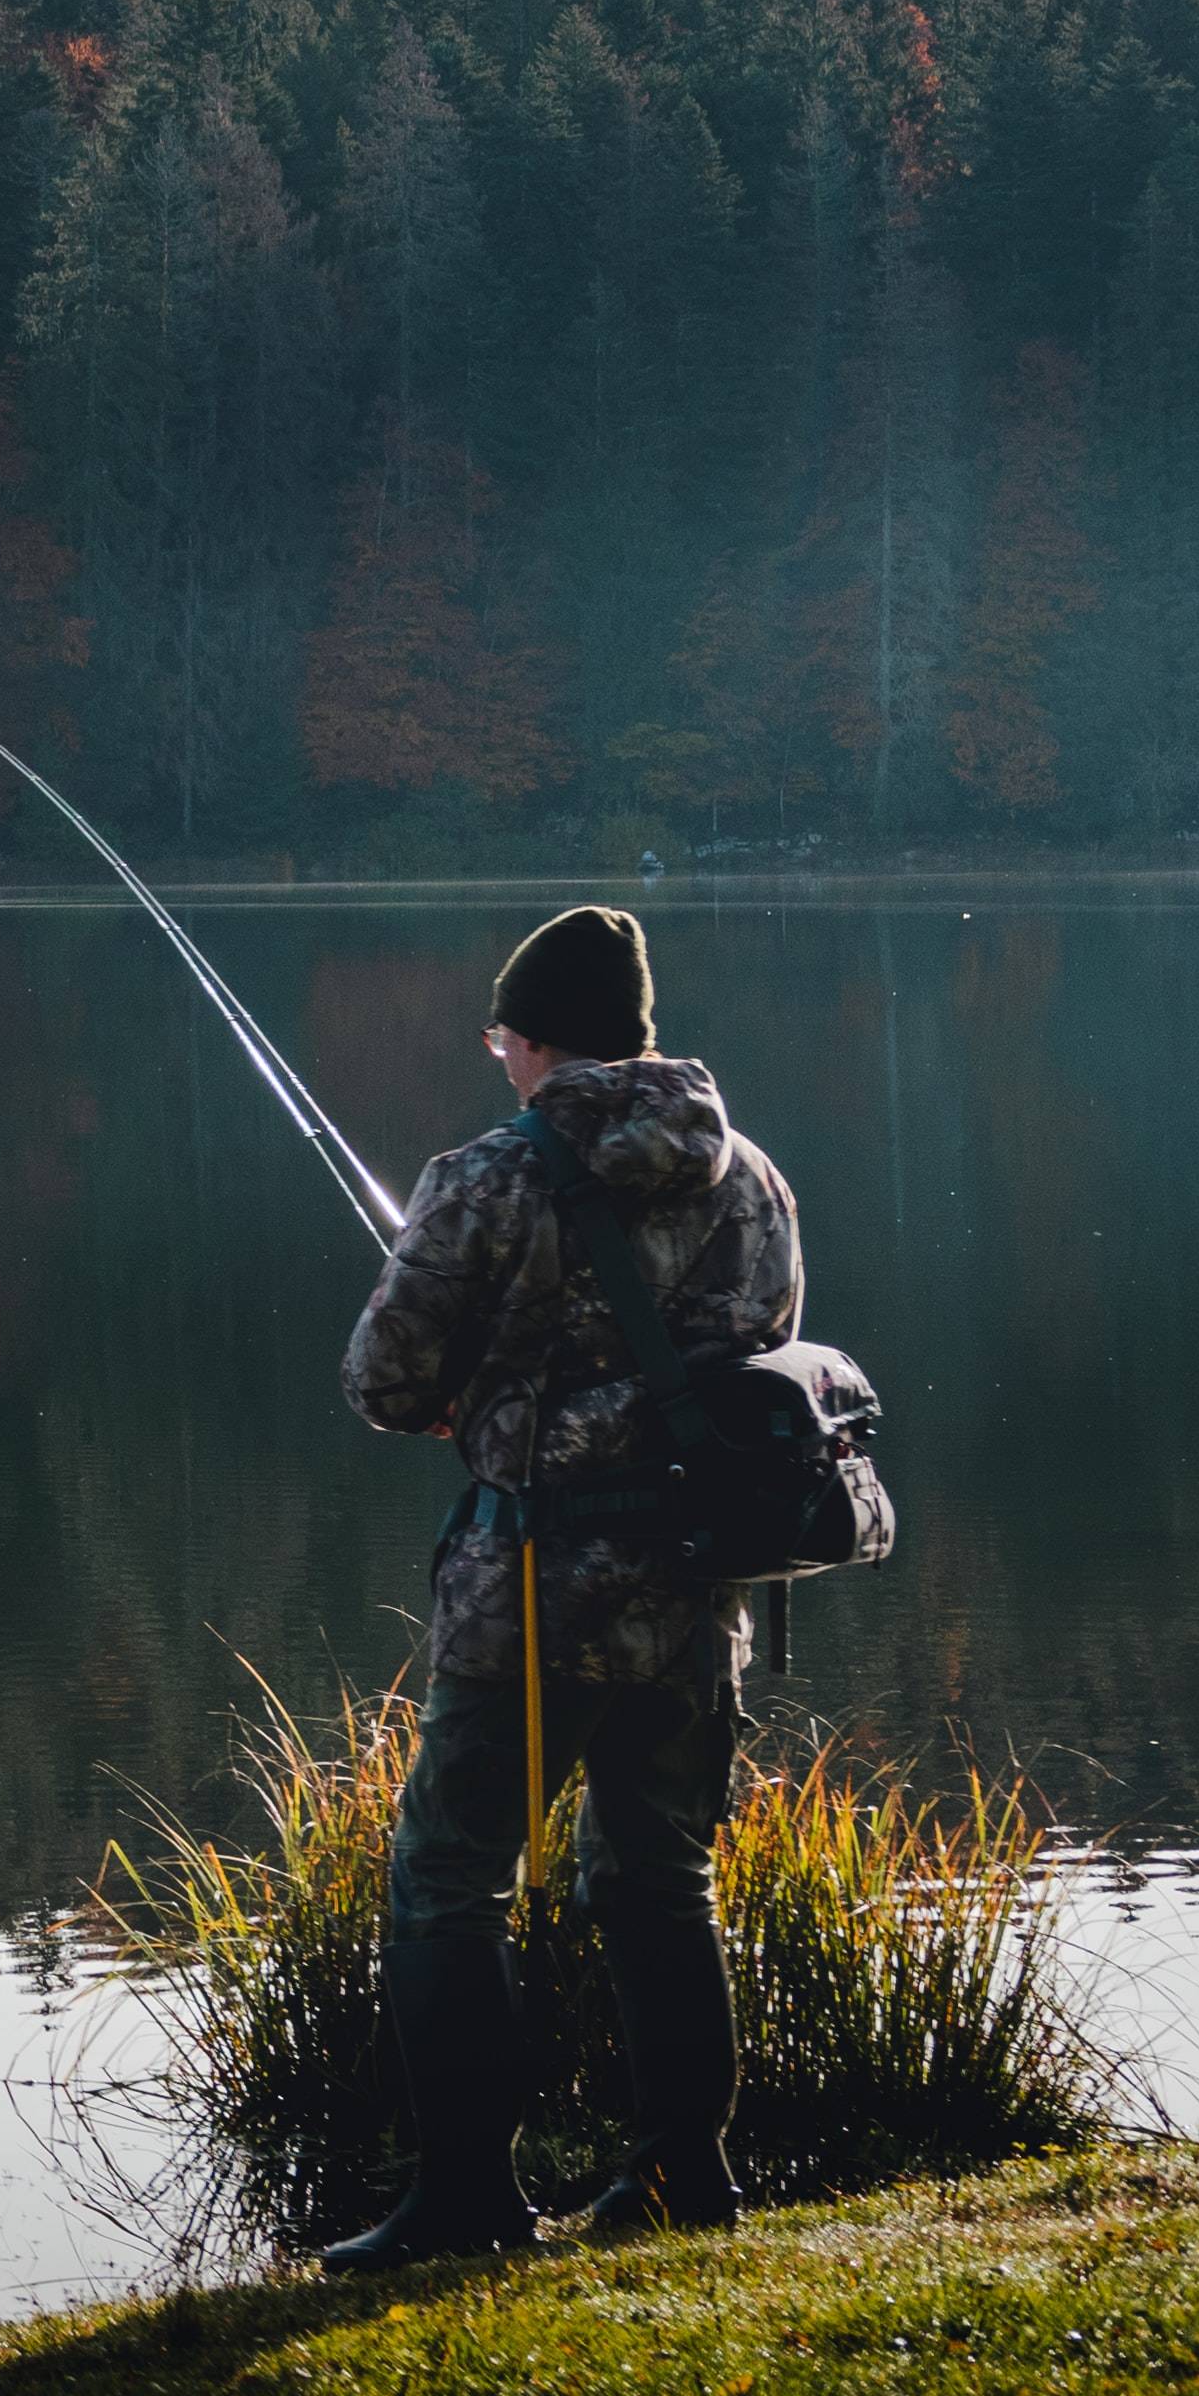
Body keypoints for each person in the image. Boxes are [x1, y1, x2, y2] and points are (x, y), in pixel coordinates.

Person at [323, 903, 802, 2269]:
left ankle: (470, 2197)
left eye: (503, 1040)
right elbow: (755, 1356)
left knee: (447, 1885)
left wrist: (470, 1392)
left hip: (531, 1590)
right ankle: (682, 2176)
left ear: (537, 1043)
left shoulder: (485, 1178)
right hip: (701, 1589)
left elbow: (382, 1384)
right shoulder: (750, 1175)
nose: (501, 1063)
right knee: (662, 1880)